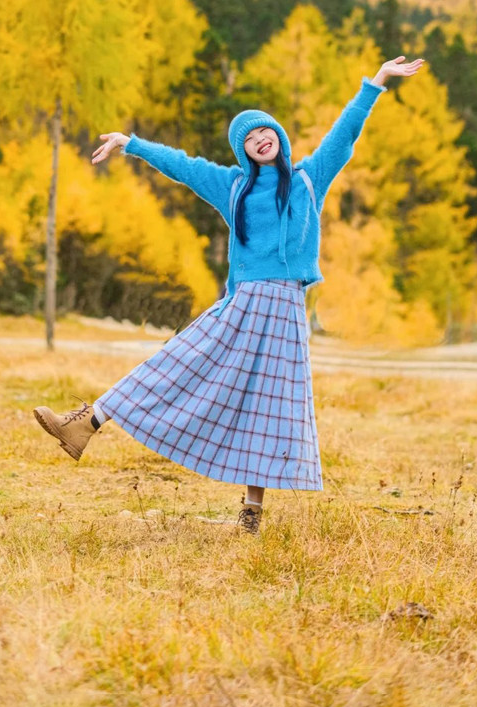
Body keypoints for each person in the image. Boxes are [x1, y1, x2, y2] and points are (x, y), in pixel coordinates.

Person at [34, 56, 424, 533]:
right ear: (244, 152)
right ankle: (86, 423)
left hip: (285, 311)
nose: (260, 139)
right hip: (243, 305)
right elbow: (184, 166)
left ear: (278, 136)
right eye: (249, 138)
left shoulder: (308, 179)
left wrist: (376, 82)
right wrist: (131, 144)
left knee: (266, 406)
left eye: (264, 131)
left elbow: (344, 135)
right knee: (175, 360)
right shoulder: (234, 187)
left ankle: (251, 512)